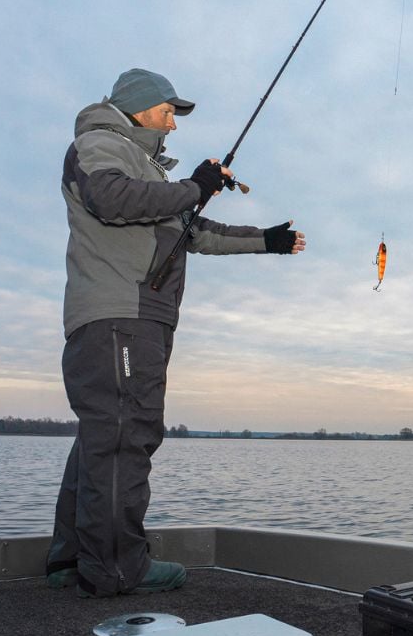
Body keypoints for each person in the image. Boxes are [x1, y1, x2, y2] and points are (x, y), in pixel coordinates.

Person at [46, 68, 306, 597]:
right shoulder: (99, 143)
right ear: (140, 108)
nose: (172, 124)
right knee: (125, 438)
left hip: (129, 317)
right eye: (168, 112)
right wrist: (194, 186)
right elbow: (112, 199)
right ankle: (118, 569)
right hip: (123, 314)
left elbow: (196, 234)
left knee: (103, 438)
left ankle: (73, 560)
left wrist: (267, 240)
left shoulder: (146, 170)